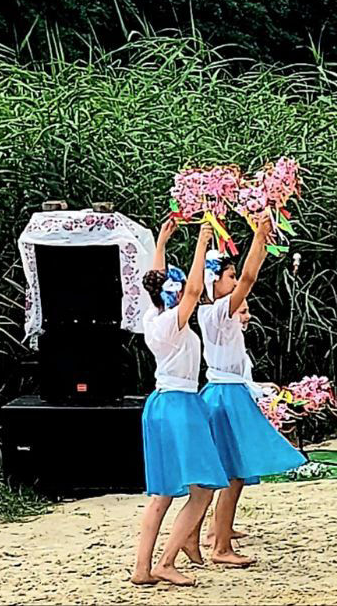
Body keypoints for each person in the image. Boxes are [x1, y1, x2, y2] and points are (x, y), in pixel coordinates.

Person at [188, 214, 305, 567]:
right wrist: (259, 237)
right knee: (232, 473)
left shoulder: (216, 313)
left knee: (224, 473)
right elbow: (252, 277)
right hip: (226, 395)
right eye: (229, 277)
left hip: (227, 391)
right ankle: (220, 546)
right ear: (214, 283)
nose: (236, 281)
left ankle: (202, 538)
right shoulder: (217, 312)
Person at [131, 222, 228, 587]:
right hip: (181, 405)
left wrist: (161, 242)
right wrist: (202, 243)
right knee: (203, 488)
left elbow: (153, 283)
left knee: (161, 494)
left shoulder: (151, 318)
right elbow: (194, 288)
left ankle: (142, 567)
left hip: (158, 406)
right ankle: (167, 560)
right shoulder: (173, 322)